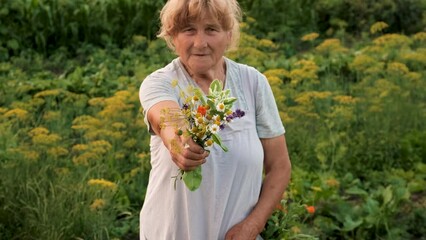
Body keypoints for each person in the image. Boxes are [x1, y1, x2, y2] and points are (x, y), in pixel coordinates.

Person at [138, 0, 291, 239]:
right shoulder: (160, 83)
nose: (200, 43)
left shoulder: (253, 83)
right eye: (188, 30)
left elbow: (279, 167)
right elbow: (167, 121)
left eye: (211, 29)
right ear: (173, 37)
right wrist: (180, 145)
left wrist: (252, 226)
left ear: (228, 35)